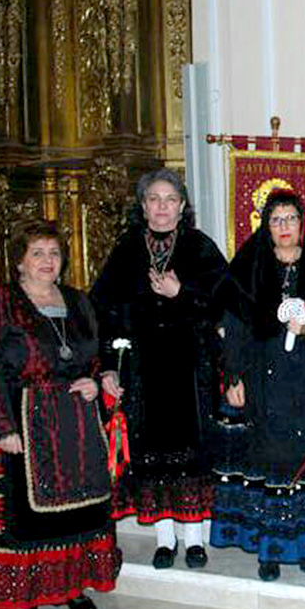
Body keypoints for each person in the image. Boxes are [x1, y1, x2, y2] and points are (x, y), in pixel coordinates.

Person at [0, 220, 121, 609]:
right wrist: (3, 426)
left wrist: (96, 380)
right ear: (19, 262)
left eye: (54, 253)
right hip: (19, 419)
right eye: (37, 253)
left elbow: (93, 356)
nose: (47, 261)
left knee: (75, 509)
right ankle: (21, 592)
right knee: (22, 515)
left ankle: (69, 586)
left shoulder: (79, 302)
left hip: (71, 420)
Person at [91, 168, 226, 570]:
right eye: (154, 198)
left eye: (170, 199)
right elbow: (104, 311)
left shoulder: (200, 247)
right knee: (153, 455)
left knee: (192, 454)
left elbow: (224, 302)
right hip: (143, 370)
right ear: (144, 206)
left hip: (190, 369)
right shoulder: (126, 248)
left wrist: (180, 293)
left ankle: (195, 538)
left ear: (183, 206)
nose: (162, 206)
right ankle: (165, 538)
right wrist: (109, 367)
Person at [210, 189, 305, 581]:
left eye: (291, 219)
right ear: (266, 226)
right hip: (263, 374)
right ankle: (269, 549)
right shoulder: (252, 264)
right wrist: (234, 375)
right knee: (269, 457)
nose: (284, 227)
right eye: (276, 220)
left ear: (303, 224)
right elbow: (234, 323)